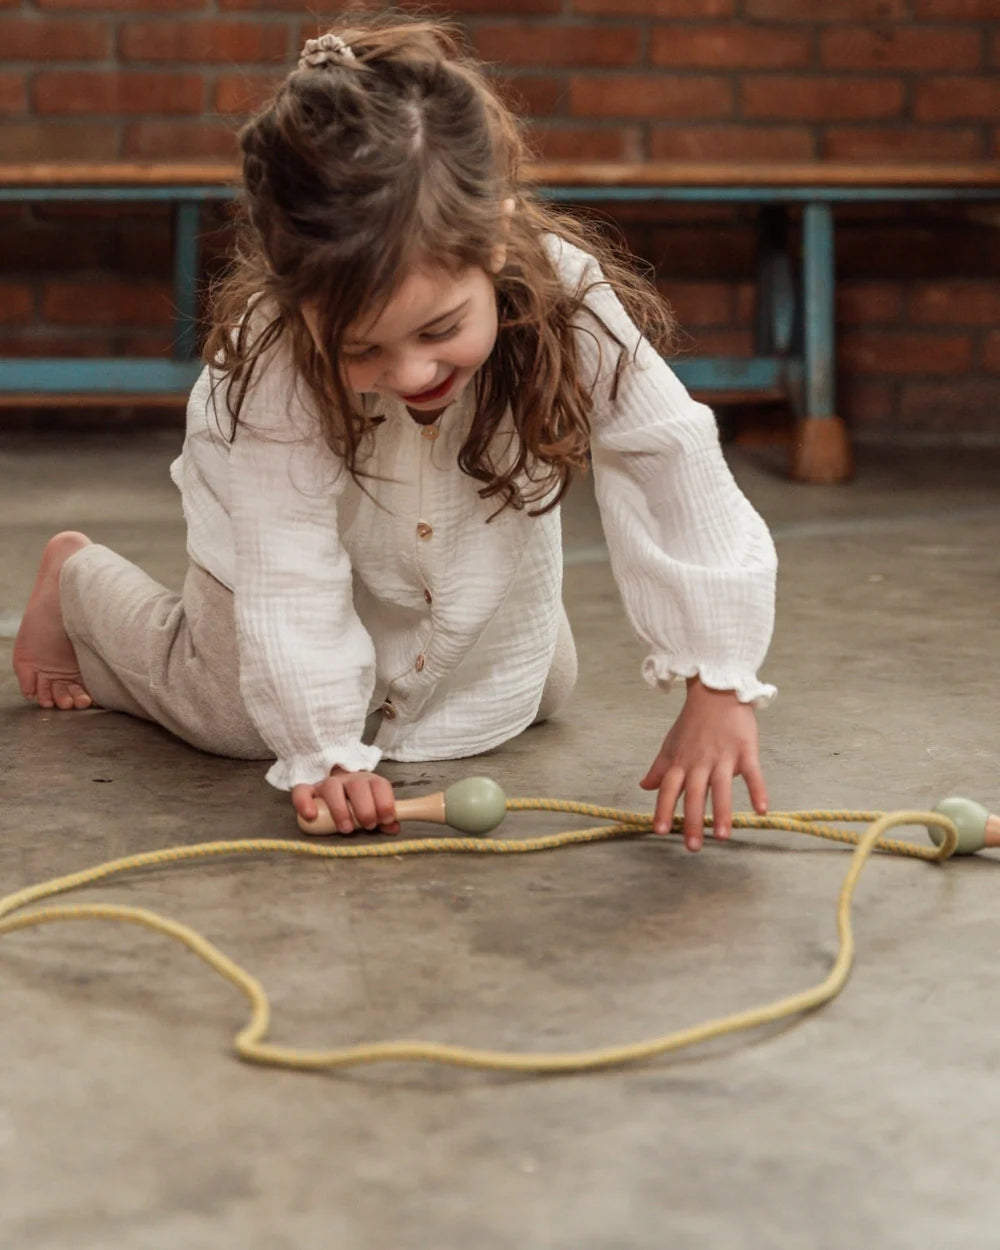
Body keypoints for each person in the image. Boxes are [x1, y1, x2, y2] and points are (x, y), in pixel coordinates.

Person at [12, 17, 777, 853]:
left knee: (536, 692)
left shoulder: (567, 295)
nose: (412, 375)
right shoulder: (276, 359)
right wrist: (324, 748)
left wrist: (717, 678)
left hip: (465, 553)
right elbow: (291, 565)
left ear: (493, 240)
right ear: (299, 303)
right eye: (362, 349)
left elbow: (669, 460)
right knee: (236, 719)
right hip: (280, 551)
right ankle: (78, 583)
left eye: (440, 327)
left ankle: (439, 647)